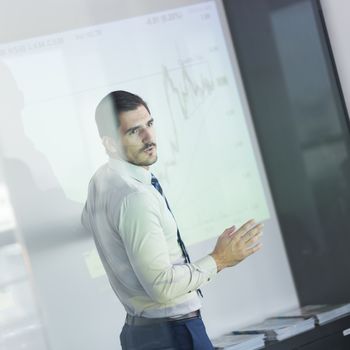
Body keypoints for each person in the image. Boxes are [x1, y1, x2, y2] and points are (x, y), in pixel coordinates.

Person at [81, 90, 263, 349]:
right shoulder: (136, 198)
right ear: (110, 144)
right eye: (134, 131)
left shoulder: (101, 180)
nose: (148, 137)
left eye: (150, 124)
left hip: (139, 332)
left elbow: (87, 221)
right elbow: (161, 287)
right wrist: (220, 259)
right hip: (174, 335)